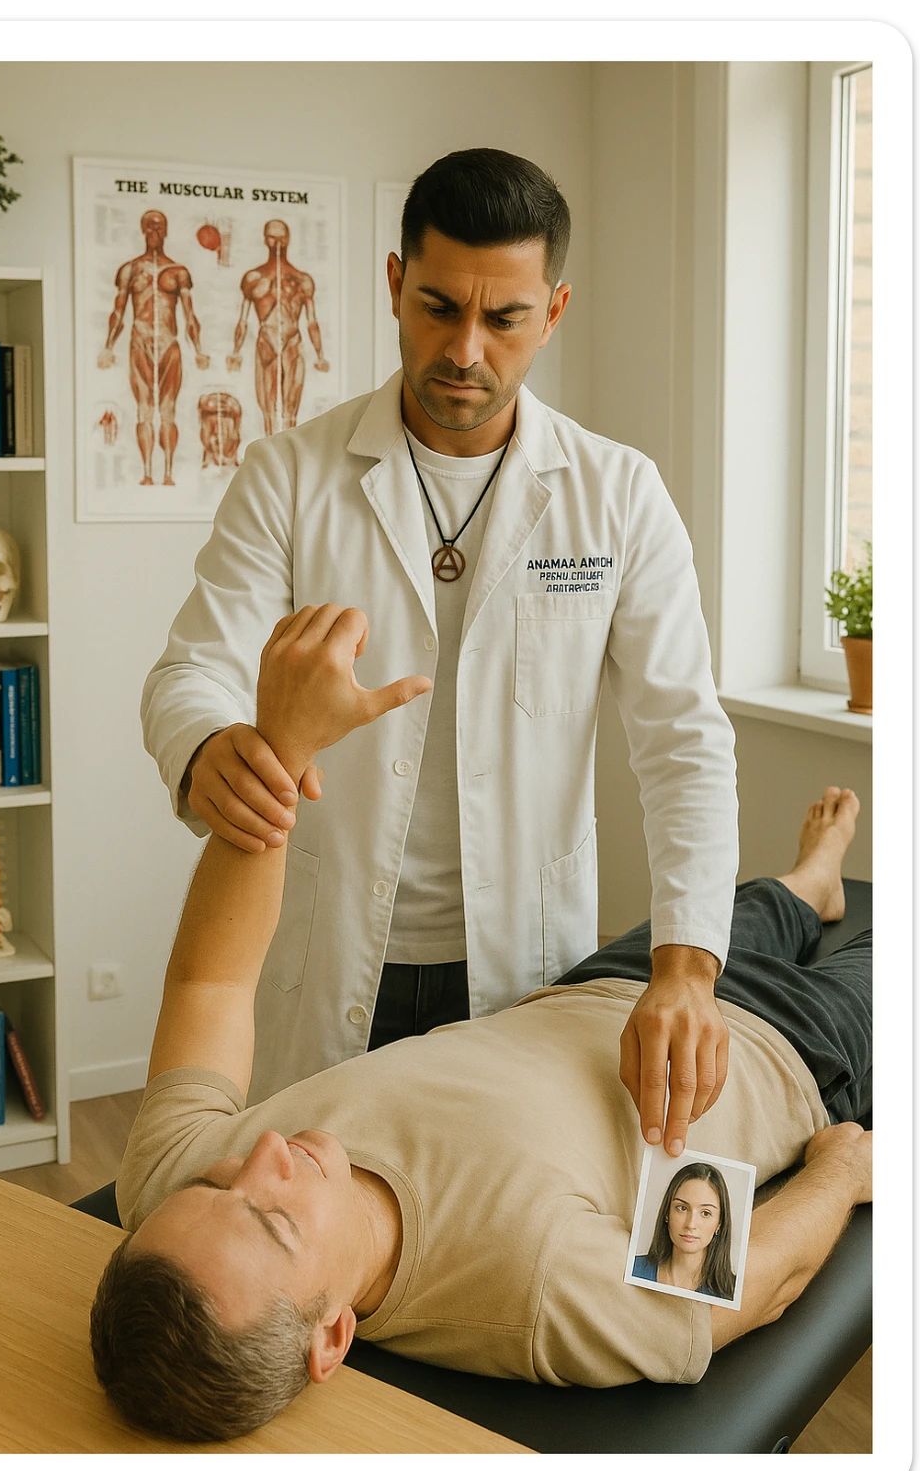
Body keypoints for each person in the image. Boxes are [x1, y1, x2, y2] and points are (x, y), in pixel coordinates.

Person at [93, 605, 872, 1445]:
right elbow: (755, 1287)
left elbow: (211, 981)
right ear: (332, 1338)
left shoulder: (167, 1181)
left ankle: (814, 876)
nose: (266, 1154)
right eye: (275, 1218)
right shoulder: (530, 1291)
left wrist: (280, 751)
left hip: (613, 988)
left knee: (752, 904)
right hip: (788, 1052)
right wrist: (838, 1171)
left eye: (219, 1184)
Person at [141, 146, 739, 1155]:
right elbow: (191, 668)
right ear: (392, 284)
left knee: (492, 1235)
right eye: (436, 307)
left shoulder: (618, 494)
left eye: (502, 318)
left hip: (520, 960)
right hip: (330, 952)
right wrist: (206, 749)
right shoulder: (290, 476)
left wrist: (684, 968)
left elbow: (682, 738)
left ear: (551, 312)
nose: (464, 349)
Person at [98, 209, 211, 485]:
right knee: (144, 408)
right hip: (140, 338)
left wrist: (197, 349)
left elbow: (189, 313)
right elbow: (119, 310)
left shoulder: (178, 272)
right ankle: (147, 473)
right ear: (142, 229)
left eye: (159, 227)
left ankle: (169, 473)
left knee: (168, 409)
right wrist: (108, 347)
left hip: (170, 343)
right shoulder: (130, 269)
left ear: (167, 231)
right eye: (149, 227)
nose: (154, 232)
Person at [226, 218, 329, 434]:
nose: (277, 242)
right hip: (266, 343)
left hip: (293, 343)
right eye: (272, 237)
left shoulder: (302, 280)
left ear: (289, 239)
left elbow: (312, 321)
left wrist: (320, 355)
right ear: (265, 239)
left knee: (291, 411)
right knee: (268, 409)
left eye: (281, 237)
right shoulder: (253, 278)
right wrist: (235, 351)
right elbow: (243, 319)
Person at [631, 1162, 737, 1300]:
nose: (691, 1224)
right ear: (667, 1214)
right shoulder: (632, 1268)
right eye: (682, 1208)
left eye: (705, 1213)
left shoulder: (731, 1292)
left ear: (719, 1223)